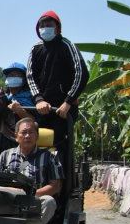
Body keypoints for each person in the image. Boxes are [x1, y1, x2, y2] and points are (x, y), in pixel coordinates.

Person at [26, 10, 89, 146]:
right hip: (42, 107)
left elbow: (81, 73)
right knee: (41, 145)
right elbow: (30, 77)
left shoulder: (67, 46)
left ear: (57, 27)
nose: (45, 28)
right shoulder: (35, 49)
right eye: (42, 25)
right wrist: (38, 100)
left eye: (49, 24)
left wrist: (68, 102)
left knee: (61, 146)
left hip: (63, 109)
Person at [0, 117, 63, 224]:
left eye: (31, 132)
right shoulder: (5, 155)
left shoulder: (49, 157)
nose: (27, 136)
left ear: (37, 136)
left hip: (35, 199)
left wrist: (30, 195)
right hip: (10, 198)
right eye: (24, 132)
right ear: (16, 136)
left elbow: (55, 186)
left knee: (49, 201)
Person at [0, 62, 35, 151]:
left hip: (22, 141)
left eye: (16, 75)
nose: (12, 77)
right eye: (10, 75)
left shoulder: (31, 97)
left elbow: (34, 121)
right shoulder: (2, 96)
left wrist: (20, 111)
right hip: (2, 139)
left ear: (24, 79)